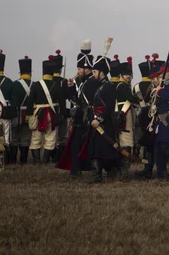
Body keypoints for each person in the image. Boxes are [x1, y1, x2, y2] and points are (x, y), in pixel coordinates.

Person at [56, 40, 96, 178]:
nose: (77, 72)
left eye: (79, 69)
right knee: (75, 146)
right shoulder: (81, 81)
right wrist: (70, 87)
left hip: (88, 119)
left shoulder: (92, 82)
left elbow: (85, 101)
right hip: (80, 119)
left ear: (87, 68)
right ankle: (75, 170)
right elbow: (74, 99)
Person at [80, 55, 119, 183]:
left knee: (106, 150)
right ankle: (97, 177)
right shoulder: (97, 85)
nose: (93, 73)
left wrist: (100, 119)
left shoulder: (110, 87)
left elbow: (109, 107)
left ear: (101, 73)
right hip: (94, 121)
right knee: (94, 149)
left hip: (105, 123)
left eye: (95, 72)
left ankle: (114, 171)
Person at [27, 58, 66, 164]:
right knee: (51, 137)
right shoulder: (57, 85)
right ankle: (45, 160)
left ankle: (36, 160)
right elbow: (62, 103)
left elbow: (30, 102)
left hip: (38, 113)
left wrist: (29, 115)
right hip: (52, 114)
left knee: (36, 137)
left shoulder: (35, 85)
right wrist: (62, 114)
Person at [116, 57, 139, 180]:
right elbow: (131, 99)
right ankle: (123, 169)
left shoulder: (124, 85)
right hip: (124, 115)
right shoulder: (122, 86)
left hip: (127, 113)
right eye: (126, 74)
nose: (128, 76)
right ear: (121, 75)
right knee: (126, 140)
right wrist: (138, 98)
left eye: (130, 74)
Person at [9, 56, 33, 165]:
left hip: (16, 113)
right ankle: (23, 160)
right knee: (26, 137)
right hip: (29, 113)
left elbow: (13, 101)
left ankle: (13, 160)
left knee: (14, 138)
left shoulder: (15, 84)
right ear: (30, 73)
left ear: (20, 72)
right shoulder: (34, 84)